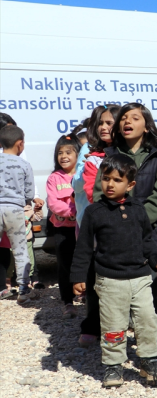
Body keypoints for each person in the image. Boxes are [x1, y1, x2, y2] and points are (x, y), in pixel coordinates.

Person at [93, 103, 157, 369]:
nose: (127, 121)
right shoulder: (109, 157)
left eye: (135, 117)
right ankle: (116, 351)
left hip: (153, 237)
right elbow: (100, 196)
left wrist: (131, 222)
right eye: (123, 118)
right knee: (118, 296)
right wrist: (117, 224)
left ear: (147, 124)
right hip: (115, 239)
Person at [71, 154, 157, 388]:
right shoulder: (95, 212)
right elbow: (83, 247)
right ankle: (113, 365)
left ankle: (149, 360)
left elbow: (146, 239)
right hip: (110, 280)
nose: (110, 184)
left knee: (147, 321)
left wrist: (156, 259)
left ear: (130, 185)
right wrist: (77, 276)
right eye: (106, 179)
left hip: (141, 278)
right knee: (113, 325)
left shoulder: (138, 209)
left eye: (117, 180)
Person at [73, 106, 117, 347]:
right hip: (90, 221)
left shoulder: (121, 150)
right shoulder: (88, 151)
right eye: (100, 123)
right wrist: (90, 168)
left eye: (108, 123)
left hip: (117, 223)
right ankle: (92, 323)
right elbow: (76, 184)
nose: (103, 127)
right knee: (92, 274)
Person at [0, 125, 38, 303]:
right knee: (20, 249)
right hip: (15, 210)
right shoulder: (24, 164)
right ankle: (23, 290)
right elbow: (30, 194)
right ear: (20, 144)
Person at [46, 135, 80, 315]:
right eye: (60, 153)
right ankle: (68, 301)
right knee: (65, 264)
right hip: (62, 229)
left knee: (82, 262)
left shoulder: (82, 175)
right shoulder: (54, 178)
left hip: (81, 229)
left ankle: (85, 294)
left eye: (68, 152)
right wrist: (73, 212)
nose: (64, 156)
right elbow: (53, 203)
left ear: (78, 154)